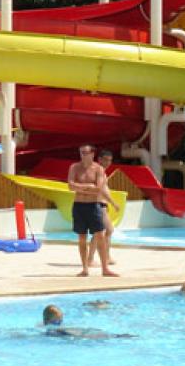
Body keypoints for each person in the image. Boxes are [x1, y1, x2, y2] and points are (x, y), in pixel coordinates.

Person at [67, 144, 118, 277]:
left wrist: (81, 188)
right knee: (82, 237)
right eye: (81, 152)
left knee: (101, 235)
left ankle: (105, 269)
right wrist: (88, 186)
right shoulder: (74, 167)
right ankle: (85, 268)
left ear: (92, 154)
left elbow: (98, 189)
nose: (83, 154)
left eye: (86, 152)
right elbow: (70, 186)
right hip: (79, 206)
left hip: (94, 206)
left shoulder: (98, 169)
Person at [86, 149, 119, 268]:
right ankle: (90, 259)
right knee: (100, 232)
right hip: (97, 204)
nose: (108, 162)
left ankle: (106, 256)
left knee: (107, 230)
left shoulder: (101, 171)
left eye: (109, 160)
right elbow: (101, 189)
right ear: (99, 159)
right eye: (105, 160)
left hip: (101, 204)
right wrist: (113, 203)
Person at [41, 304, 133, 339]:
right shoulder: (53, 330)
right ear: (47, 321)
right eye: (57, 321)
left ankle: (118, 336)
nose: (59, 323)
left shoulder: (59, 330)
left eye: (61, 320)